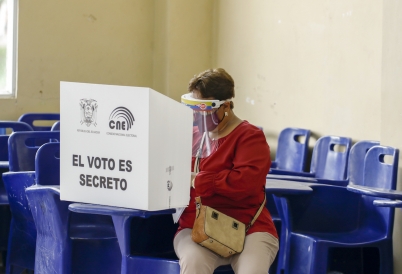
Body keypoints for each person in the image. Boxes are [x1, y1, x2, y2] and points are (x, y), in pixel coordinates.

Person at [174, 68, 279, 274]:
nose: (198, 116)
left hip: (248, 228)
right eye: (194, 108)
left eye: (204, 109)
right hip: (197, 228)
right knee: (193, 262)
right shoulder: (191, 135)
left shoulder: (250, 137)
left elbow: (245, 183)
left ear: (226, 106)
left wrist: (199, 181)